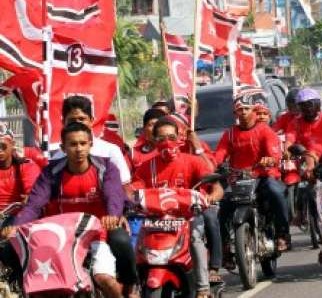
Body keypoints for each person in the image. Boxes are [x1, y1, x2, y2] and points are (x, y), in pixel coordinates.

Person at [2, 122, 139, 298]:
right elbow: (34, 204)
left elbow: (114, 195)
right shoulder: (51, 171)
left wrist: (112, 216)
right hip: (61, 239)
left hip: (98, 235)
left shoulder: (106, 168)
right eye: (73, 144)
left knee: (105, 278)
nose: (79, 149)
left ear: (91, 144)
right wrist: (17, 225)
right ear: (63, 148)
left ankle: (131, 285)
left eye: (83, 143)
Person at [131, 118, 224, 297]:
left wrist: (210, 198)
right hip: (155, 221)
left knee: (196, 240)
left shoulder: (193, 162)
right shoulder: (145, 167)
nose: (167, 142)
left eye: (171, 137)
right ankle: (135, 286)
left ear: (180, 137)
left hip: (187, 217)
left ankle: (203, 288)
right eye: (161, 138)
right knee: (137, 245)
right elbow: (134, 189)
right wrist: (127, 200)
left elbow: (216, 187)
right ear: (153, 140)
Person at [214, 93, 289, 253]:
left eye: (246, 109)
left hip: (263, 176)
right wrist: (217, 165)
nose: (243, 112)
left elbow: (275, 154)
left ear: (254, 111)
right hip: (238, 179)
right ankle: (225, 246)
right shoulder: (230, 134)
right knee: (223, 206)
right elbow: (219, 153)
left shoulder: (265, 131)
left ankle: (282, 234)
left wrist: (269, 160)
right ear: (235, 114)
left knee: (276, 192)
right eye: (239, 110)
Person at [51, 96, 132, 191]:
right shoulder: (57, 158)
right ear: (63, 122)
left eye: (82, 119)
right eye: (72, 120)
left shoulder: (110, 151)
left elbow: (126, 189)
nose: (78, 124)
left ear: (92, 121)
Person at [0, 123, 40, 224]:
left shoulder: (25, 165)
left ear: (12, 145)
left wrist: (29, 197)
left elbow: (33, 192)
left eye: (3, 146)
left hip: (18, 217)